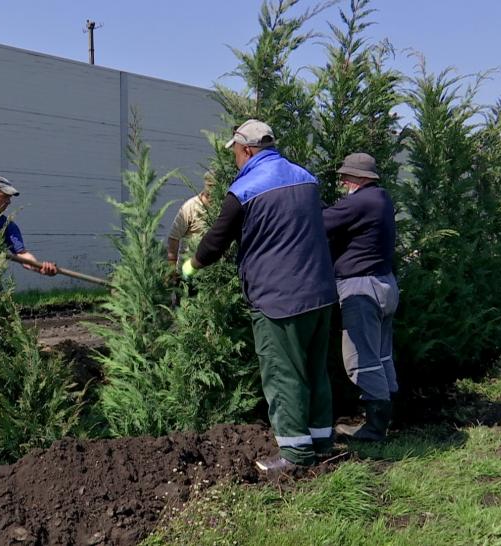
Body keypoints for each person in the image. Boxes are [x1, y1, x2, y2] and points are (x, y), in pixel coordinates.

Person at [182, 120, 338, 472]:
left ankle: (295, 455)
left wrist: (191, 266)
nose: (235, 159)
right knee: (315, 369)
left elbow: (215, 242)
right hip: (320, 292)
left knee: (283, 372)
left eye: (236, 153)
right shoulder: (307, 179)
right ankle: (321, 441)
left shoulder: (244, 190)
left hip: (279, 298)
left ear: (247, 150)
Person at [322, 153, 399, 441]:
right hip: (384, 284)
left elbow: (321, 222)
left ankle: (375, 429)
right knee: (381, 355)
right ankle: (388, 417)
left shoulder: (361, 201)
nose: (343, 181)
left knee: (360, 359)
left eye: (347, 176)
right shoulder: (382, 198)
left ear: (362, 178)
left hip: (361, 289)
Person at [0, 175, 57, 276]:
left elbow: (22, 254)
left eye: (9, 198)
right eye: (5, 196)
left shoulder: (7, 226)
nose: (9, 202)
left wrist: (40, 268)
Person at [166, 172, 216, 266]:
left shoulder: (224, 207)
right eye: (210, 185)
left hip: (214, 268)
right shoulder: (190, 207)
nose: (212, 189)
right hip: (190, 266)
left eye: (215, 186)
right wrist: (171, 268)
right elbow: (174, 238)